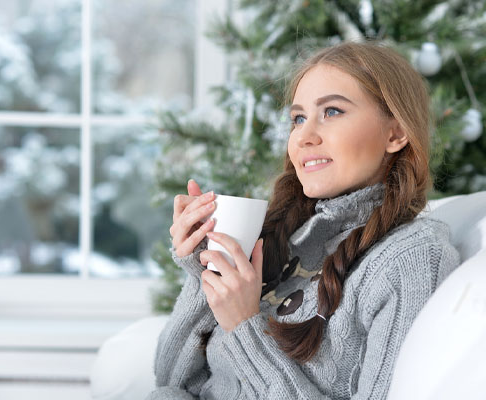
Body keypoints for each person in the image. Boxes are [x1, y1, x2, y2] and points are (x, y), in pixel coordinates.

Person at [146, 41, 460, 399]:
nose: (305, 137)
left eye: (333, 112)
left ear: (395, 133)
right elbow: (173, 383)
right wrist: (205, 274)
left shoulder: (411, 260)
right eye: (298, 118)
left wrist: (244, 326)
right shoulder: (285, 236)